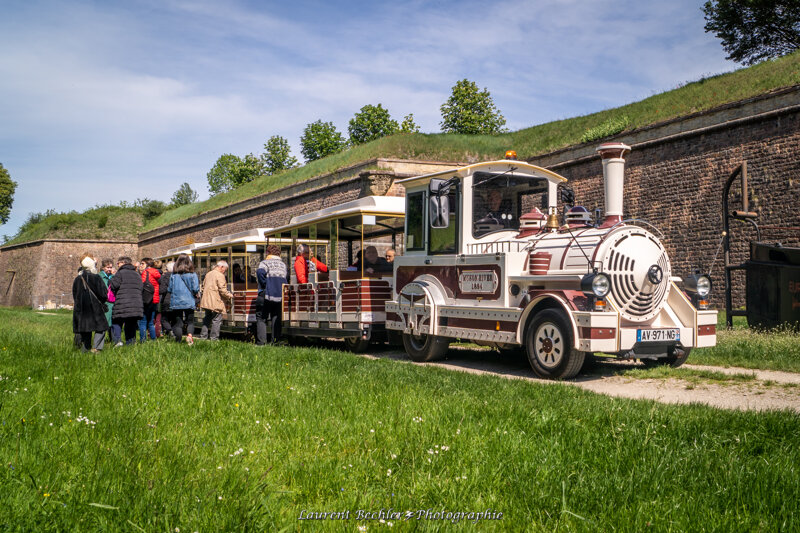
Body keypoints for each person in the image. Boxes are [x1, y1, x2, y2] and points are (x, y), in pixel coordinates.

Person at [72, 255, 109, 352]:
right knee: (101, 328)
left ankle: (86, 348)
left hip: (82, 309)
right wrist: (102, 301)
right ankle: (97, 348)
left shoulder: (77, 279)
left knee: (86, 328)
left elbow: (75, 295)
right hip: (96, 307)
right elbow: (104, 294)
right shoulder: (97, 278)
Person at [255, 245, 287, 345]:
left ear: (268, 253)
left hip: (266, 293)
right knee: (276, 317)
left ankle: (261, 343)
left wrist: (265, 284)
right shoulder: (283, 265)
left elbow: (260, 273)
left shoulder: (264, 263)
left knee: (261, 318)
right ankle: (275, 341)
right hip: (279, 295)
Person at [108, 256, 143, 346]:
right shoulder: (137, 274)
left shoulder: (120, 273)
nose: (117, 265)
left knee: (117, 321)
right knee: (131, 324)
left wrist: (111, 280)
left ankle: (118, 341)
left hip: (122, 303)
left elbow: (114, 286)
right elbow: (141, 288)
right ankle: (131, 343)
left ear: (123, 263)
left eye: (118, 263)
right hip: (136, 304)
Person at [168, 254, 200, 344]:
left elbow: (169, 289)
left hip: (176, 302)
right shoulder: (193, 274)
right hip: (189, 301)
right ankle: (189, 336)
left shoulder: (173, 275)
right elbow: (195, 289)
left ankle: (178, 341)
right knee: (190, 321)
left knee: (178, 323)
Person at [197, 260, 232, 341]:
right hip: (216, 301)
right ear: (221, 267)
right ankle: (214, 338)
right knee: (217, 319)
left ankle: (203, 336)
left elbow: (203, 287)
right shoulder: (220, 275)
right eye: (225, 269)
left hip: (206, 301)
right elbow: (222, 290)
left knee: (207, 318)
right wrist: (230, 295)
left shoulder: (208, 274)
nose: (224, 271)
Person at [137, 258, 161, 342]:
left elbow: (141, 285)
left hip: (146, 299)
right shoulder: (156, 273)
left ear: (148, 265)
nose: (141, 265)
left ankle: (143, 340)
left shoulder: (146, 273)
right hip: (154, 300)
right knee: (151, 321)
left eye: (143, 264)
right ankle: (153, 339)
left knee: (143, 322)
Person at [98, 258, 121, 345]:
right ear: (103, 267)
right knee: (105, 322)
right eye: (107, 267)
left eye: (111, 267)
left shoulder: (113, 276)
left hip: (113, 302)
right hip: (104, 302)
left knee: (113, 322)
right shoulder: (99, 277)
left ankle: (113, 340)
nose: (109, 269)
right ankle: (101, 342)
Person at [159, 260, 174, 338]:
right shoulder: (178, 276)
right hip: (177, 300)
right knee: (174, 318)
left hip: (167, 300)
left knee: (164, 319)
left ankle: (170, 331)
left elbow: (162, 290)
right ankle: (174, 333)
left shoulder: (165, 277)